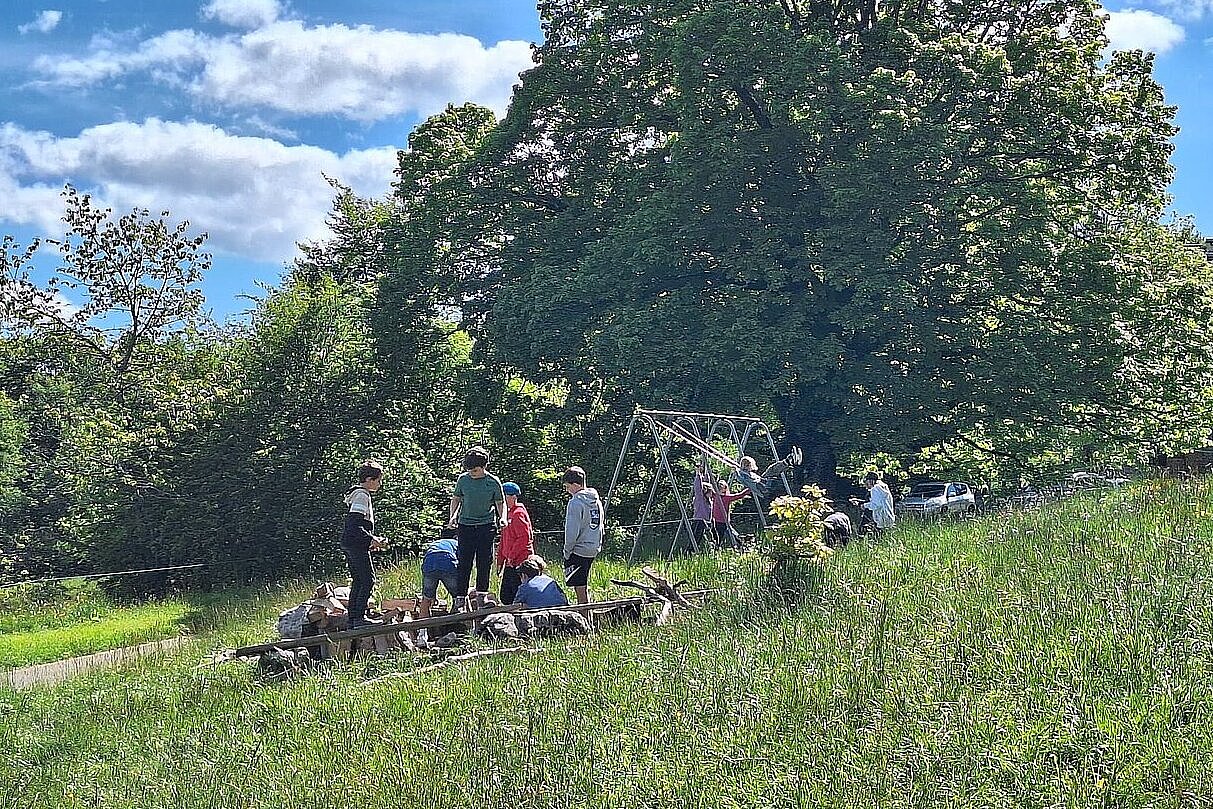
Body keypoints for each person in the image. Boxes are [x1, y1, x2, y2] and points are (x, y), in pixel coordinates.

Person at [447, 446, 507, 610]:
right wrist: (452, 516)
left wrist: (502, 517)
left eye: (475, 470)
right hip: (465, 525)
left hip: (485, 525)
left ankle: (481, 595)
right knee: (464, 561)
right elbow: (456, 499)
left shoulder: (493, 482)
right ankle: (460, 597)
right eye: (469, 470)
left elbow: (500, 503)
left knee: (484, 561)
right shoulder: (463, 480)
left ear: (484, 466)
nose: (471, 473)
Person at [340, 460, 387, 628]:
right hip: (355, 544)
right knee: (368, 580)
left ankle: (353, 619)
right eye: (378, 480)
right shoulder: (362, 495)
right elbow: (354, 524)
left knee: (358, 580)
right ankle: (359, 618)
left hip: (350, 543)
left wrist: (370, 539)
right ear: (369, 480)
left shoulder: (356, 494)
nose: (380, 484)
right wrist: (371, 540)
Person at [562, 465, 604, 605]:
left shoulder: (575, 502)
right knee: (583, 586)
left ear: (575, 485)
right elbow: (600, 525)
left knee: (579, 588)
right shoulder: (596, 500)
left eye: (568, 487)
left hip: (579, 549)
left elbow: (571, 531)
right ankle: (588, 613)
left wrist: (567, 552)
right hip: (593, 547)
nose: (567, 490)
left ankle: (584, 616)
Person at [497, 481, 534, 604]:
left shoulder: (518, 514)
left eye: (504, 497)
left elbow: (524, 538)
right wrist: (500, 560)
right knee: (505, 596)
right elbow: (504, 538)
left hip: (520, 562)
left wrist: (511, 556)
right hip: (510, 562)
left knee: (517, 596)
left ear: (513, 497)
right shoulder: (506, 515)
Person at [418, 528, 459, 620]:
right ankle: (457, 621)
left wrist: (433, 595)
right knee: (458, 596)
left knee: (426, 598)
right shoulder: (456, 543)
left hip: (429, 562)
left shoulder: (435, 543)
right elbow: (462, 564)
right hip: (447, 560)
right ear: (455, 537)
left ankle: (422, 626)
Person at [733, 447, 803, 500]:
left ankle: (790, 460)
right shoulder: (743, 475)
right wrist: (736, 470)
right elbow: (741, 478)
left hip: (764, 484)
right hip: (763, 489)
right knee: (771, 470)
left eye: (749, 465)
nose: (749, 467)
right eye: (748, 465)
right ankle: (789, 461)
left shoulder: (750, 473)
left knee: (771, 469)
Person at [708, 478, 750, 548]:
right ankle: (740, 541)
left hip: (723, 521)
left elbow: (739, 495)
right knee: (722, 535)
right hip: (716, 520)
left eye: (722, 487)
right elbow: (708, 487)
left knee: (726, 534)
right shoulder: (715, 496)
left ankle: (740, 542)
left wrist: (749, 489)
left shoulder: (727, 497)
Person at [850, 471, 895, 536]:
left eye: (866, 482)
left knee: (872, 535)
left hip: (881, 519)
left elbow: (875, 505)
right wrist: (859, 501)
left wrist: (863, 505)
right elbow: (877, 501)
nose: (866, 485)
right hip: (888, 518)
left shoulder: (875, 488)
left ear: (871, 480)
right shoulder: (883, 487)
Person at [689, 465, 712, 551]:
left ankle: (708, 550)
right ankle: (690, 552)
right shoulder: (700, 498)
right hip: (699, 520)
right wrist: (698, 473)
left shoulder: (708, 500)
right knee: (696, 539)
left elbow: (707, 482)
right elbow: (698, 487)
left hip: (706, 521)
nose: (711, 494)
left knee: (708, 539)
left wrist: (706, 471)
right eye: (710, 492)